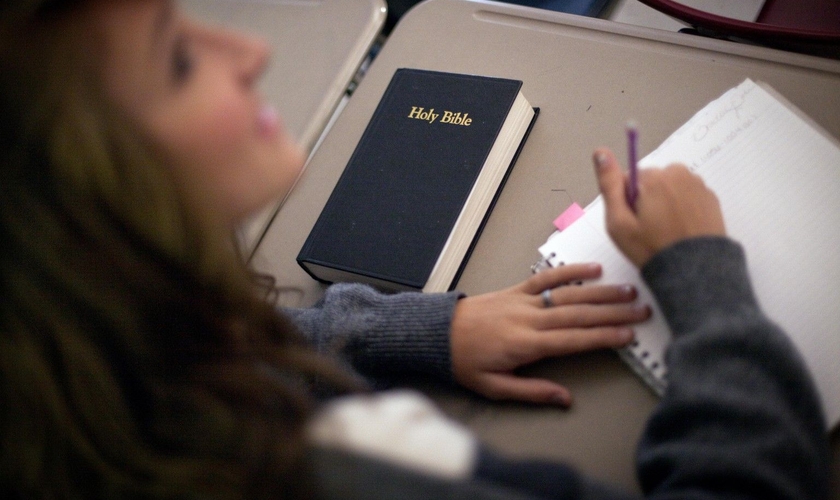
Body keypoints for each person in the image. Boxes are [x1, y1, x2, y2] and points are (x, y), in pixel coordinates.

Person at [0, 1, 829, 499]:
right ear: (82, 207)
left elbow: (207, 357)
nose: (252, 53)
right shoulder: (329, 478)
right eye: (178, 60)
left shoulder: (97, 372)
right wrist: (705, 279)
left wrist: (417, 332)